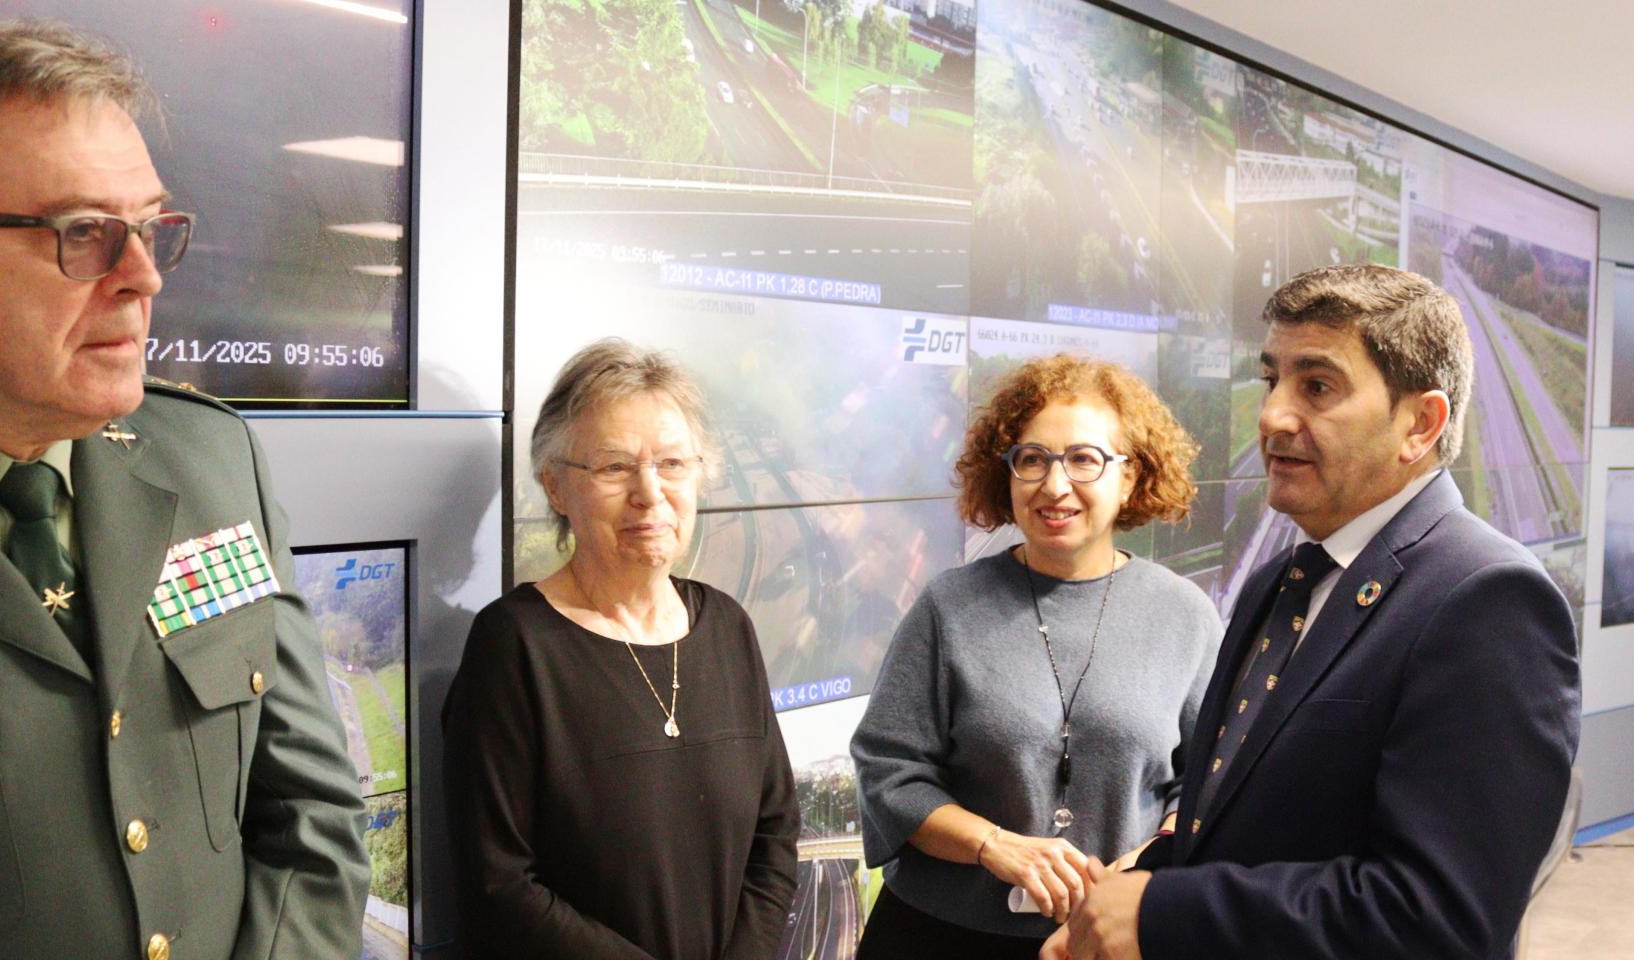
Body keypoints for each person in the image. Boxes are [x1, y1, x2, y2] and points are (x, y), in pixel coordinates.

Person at [0, 13, 370, 960]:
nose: (142, 279)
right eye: (83, 233)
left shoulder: (210, 463)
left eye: (150, 228)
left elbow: (313, 811)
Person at [1048, 264, 1582, 960]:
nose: (1272, 415)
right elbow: (1247, 815)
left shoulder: (1488, 601)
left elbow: (1440, 918)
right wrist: (1146, 874)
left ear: (1420, 424)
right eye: (1273, 379)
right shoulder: (1283, 579)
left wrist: (1166, 912)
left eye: (1318, 386)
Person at [850, 353, 1222, 958]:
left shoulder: (1185, 614)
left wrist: (1148, 862)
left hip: (1107, 938)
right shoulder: (949, 606)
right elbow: (888, 771)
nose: (1054, 485)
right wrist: (994, 844)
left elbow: (1210, 783)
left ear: (1130, 477)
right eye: (1032, 460)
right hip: (937, 934)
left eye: (1084, 459)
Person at [442, 339, 799, 959]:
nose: (650, 493)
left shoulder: (727, 628)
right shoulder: (515, 646)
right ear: (555, 487)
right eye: (613, 468)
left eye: (672, 464)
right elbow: (498, 884)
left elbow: (774, 834)